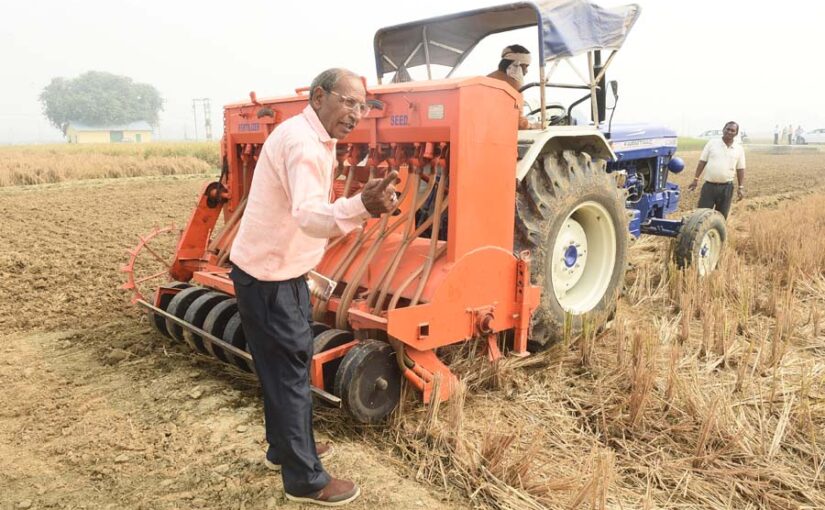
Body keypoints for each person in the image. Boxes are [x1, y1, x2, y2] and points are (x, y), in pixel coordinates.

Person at [229, 68, 398, 506]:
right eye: (348, 102)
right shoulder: (303, 143)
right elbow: (309, 215)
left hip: (269, 271)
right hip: (271, 279)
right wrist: (363, 204)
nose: (356, 113)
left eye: (363, 106)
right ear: (320, 96)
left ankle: (283, 448)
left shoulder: (308, 135)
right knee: (288, 374)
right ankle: (304, 480)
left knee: (279, 368)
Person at [687, 121, 746, 219]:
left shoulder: (739, 149)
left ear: (736, 133)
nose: (729, 132)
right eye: (728, 129)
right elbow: (702, 162)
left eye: (733, 130)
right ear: (723, 130)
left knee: (721, 217)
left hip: (726, 188)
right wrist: (695, 179)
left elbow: (740, 169)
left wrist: (740, 187)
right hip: (709, 187)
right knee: (701, 216)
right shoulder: (712, 143)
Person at [487, 44, 533, 129]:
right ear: (515, 65)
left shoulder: (488, 78)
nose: (526, 71)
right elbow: (517, 122)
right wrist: (531, 125)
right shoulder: (514, 86)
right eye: (525, 66)